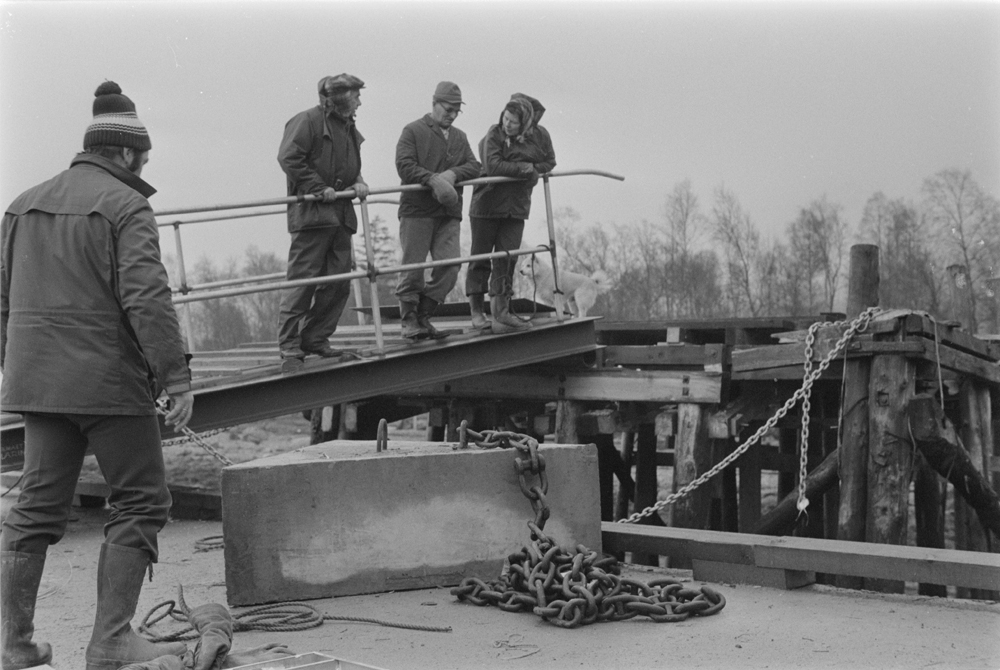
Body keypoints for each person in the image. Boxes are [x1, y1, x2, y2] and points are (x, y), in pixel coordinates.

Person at [1, 82, 194, 670]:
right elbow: (148, 298)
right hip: (108, 382)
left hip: (38, 382)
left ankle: (14, 645)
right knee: (140, 500)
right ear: (128, 154)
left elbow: (2, 300)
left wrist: (15, 369)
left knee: (35, 507)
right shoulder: (127, 206)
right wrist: (174, 376)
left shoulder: (21, 204)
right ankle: (111, 642)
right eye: (144, 157)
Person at [277, 74, 369, 373]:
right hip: (313, 218)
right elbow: (289, 157)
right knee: (303, 282)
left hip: (340, 217)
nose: (359, 101)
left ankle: (315, 338)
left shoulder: (348, 126)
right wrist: (318, 187)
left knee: (338, 283)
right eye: (355, 96)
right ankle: (289, 345)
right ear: (341, 98)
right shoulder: (307, 121)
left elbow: (350, 164)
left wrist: (358, 181)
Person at [394, 81, 482, 339]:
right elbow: (404, 165)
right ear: (434, 104)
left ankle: (424, 314)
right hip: (417, 210)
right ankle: (409, 320)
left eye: (456, 110)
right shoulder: (413, 131)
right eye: (448, 108)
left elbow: (474, 165)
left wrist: (452, 174)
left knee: (450, 266)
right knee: (413, 267)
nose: (452, 114)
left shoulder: (460, 137)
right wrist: (432, 180)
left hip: (448, 213)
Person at [467, 93, 556, 333]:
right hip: (487, 204)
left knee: (507, 258)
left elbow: (550, 162)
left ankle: (501, 311)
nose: (507, 124)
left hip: (516, 208)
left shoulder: (538, 137)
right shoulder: (494, 134)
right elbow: (492, 165)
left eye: (513, 122)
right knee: (480, 258)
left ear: (524, 123)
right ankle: (477, 311)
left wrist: (533, 169)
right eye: (506, 118)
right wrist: (524, 169)